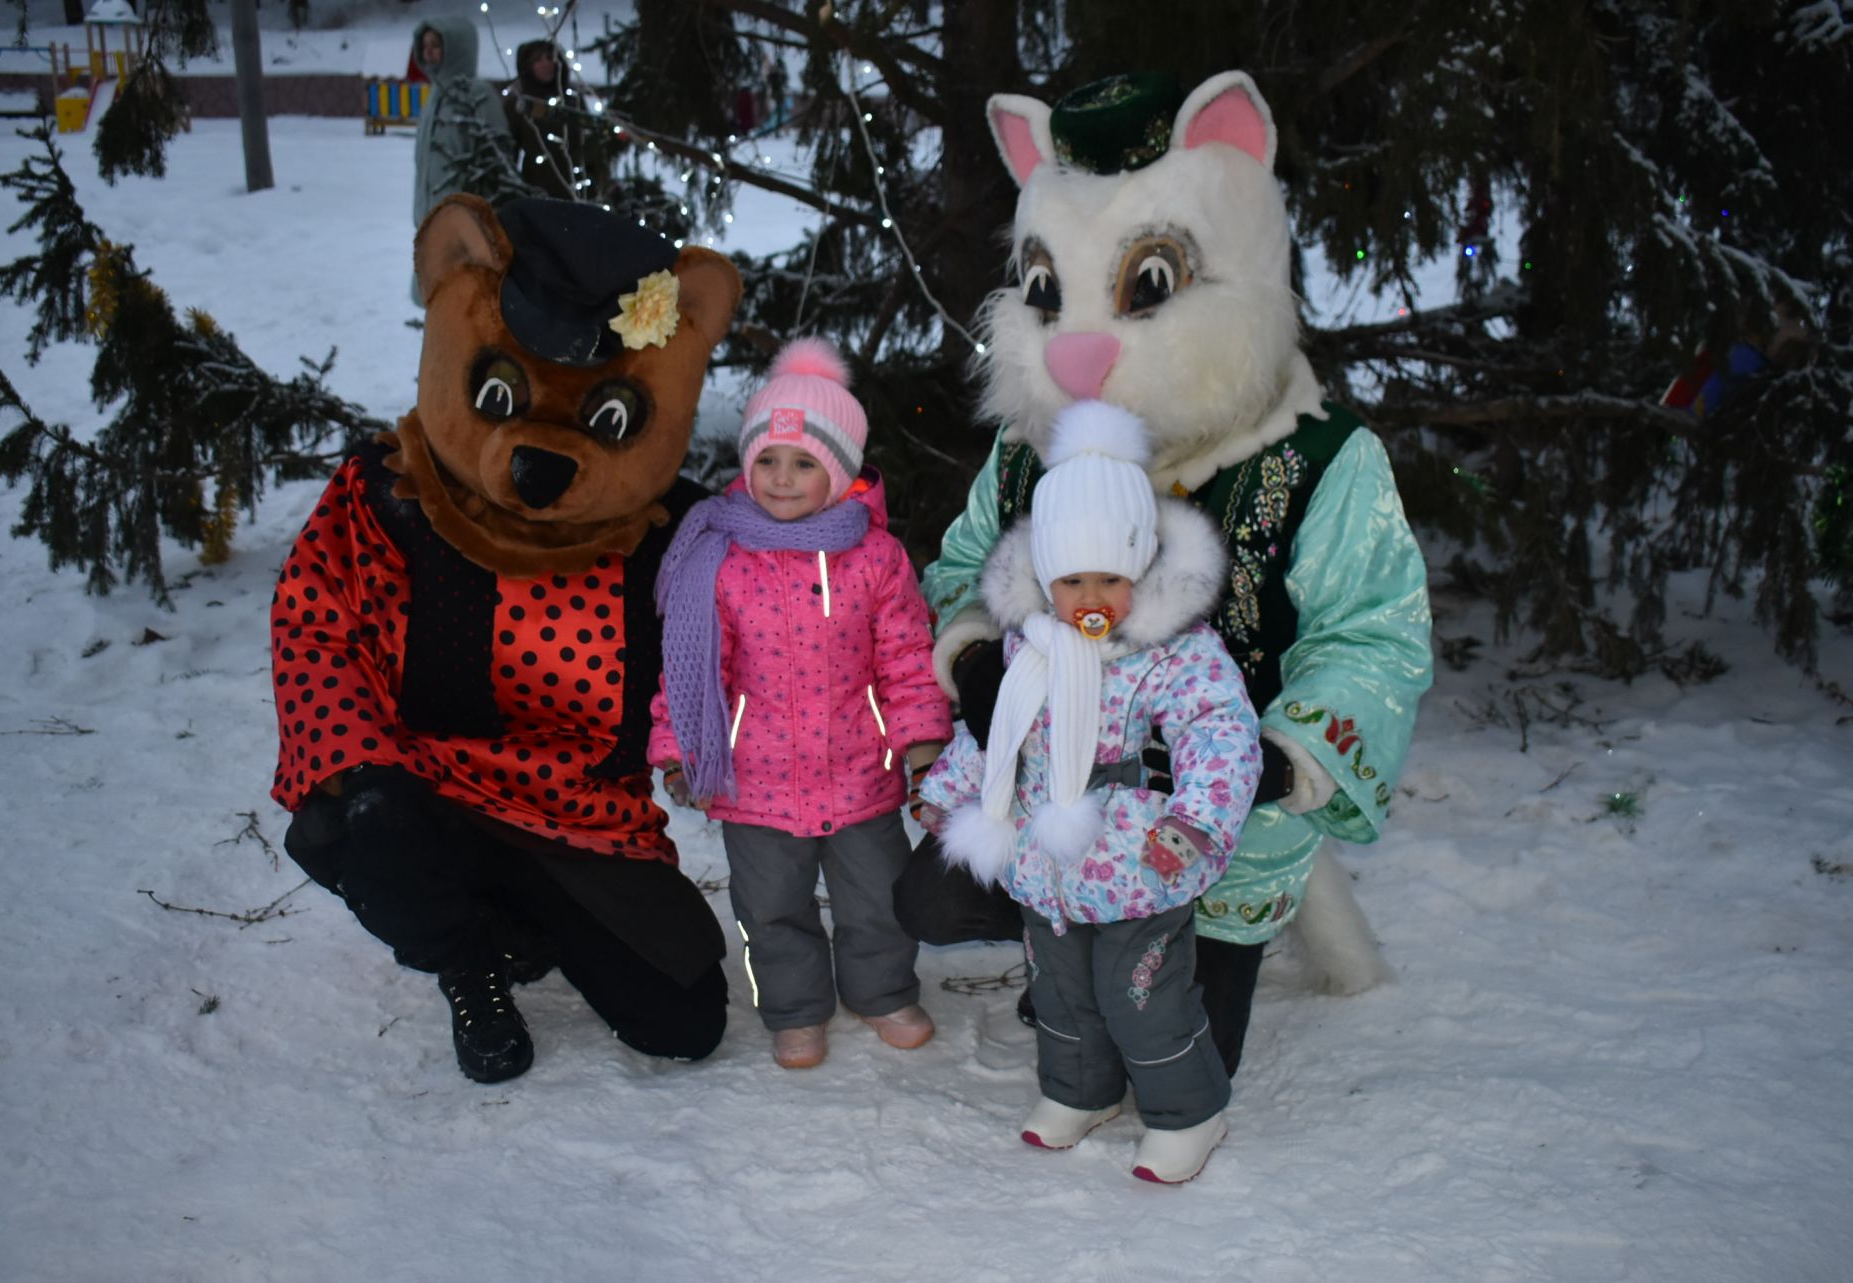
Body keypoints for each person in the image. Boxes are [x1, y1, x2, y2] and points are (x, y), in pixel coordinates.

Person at [898, 71, 1433, 1079]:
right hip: (1057, 786)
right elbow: (965, 566)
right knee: (928, 896)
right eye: (1050, 292)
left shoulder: (1318, 458)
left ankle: (1143, 956)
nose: (1081, 347)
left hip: (1212, 822)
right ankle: (1071, 938)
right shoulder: (1027, 451)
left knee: (1172, 1069)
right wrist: (973, 657)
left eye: (1145, 285)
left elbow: (1374, 632)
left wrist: (1279, 763)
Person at [273, 196, 745, 1084]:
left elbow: (770, 624)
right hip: (430, 795)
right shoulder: (392, 496)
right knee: (368, 824)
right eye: (502, 398)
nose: (541, 454)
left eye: (604, 418)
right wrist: (363, 768)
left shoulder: (674, 534)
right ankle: (465, 957)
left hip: (584, 818)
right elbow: (315, 627)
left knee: (682, 1020)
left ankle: (524, 919)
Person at [916, 400, 1260, 1185]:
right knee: (1061, 984)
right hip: (1045, 857)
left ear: (1141, 569)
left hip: (1141, 852)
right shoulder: (1030, 647)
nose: (1092, 596)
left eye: (1112, 577)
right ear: (1046, 578)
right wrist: (951, 791)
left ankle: (1189, 1111)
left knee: (1138, 991)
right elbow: (996, 733)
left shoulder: (1174, 650)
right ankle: (1081, 1090)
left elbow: (1219, 730)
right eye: (1073, 580)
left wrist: (1195, 819)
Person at [650, 338, 953, 1071]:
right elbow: (691, 669)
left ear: (840, 471)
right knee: (771, 910)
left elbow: (908, 657)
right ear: (747, 464)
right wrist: (678, 750)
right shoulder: (717, 558)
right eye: (768, 461)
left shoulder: (876, 558)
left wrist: (921, 743)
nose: (782, 479)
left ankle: (880, 990)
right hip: (756, 781)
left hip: (861, 771)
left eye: (804, 463)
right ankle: (793, 1007)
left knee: (877, 899)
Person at [409, 17, 511, 301]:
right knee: (437, 303)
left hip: (466, 228)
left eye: (437, 45)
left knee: (464, 306)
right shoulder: (435, 97)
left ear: (457, 48)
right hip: (431, 224)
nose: (429, 52)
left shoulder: (478, 95)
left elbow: (498, 162)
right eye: (425, 45)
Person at [503, 39, 578, 201]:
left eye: (550, 58)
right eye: (538, 60)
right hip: (537, 191)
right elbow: (508, 151)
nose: (546, 64)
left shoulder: (571, 101)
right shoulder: (520, 105)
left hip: (577, 189)